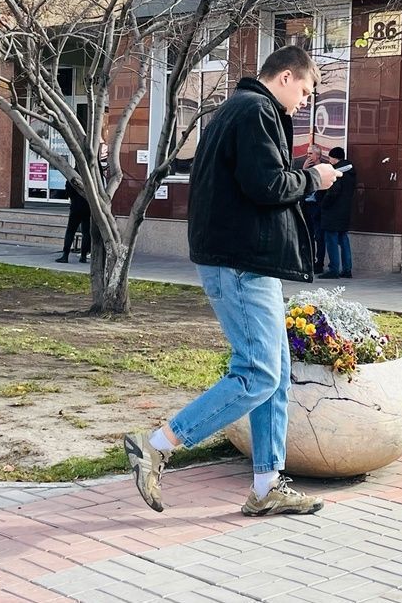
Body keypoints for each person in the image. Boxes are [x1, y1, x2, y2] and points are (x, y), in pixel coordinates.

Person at [123, 45, 339, 517]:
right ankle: (158, 444)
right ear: (284, 77)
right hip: (244, 263)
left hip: (241, 259)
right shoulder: (256, 111)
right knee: (259, 372)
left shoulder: (238, 110)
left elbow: (253, 183)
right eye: (304, 90)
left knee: (275, 375)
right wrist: (314, 179)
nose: (305, 101)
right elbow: (267, 187)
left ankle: (266, 486)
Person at [319, 146, 356, 279]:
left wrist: (323, 204)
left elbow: (333, 192)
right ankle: (347, 269)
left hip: (333, 212)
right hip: (345, 211)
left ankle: (334, 269)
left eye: (330, 158)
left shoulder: (337, 172)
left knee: (331, 240)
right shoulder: (351, 172)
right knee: (343, 239)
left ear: (334, 158)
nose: (329, 161)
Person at [296, 144, 326, 275]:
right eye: (307, 154)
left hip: (317, 207)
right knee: (308, 236)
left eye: (310, 154)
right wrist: (304, 170)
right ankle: (310, 262)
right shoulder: (306, 169)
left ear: (317, 155)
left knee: (319, 236)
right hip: (306, 206)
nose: (307, 156)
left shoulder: (322, 168)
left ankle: (319, 263)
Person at [57, 177, 91, 264]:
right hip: (87, 208)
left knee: (70, 231)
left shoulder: (72, 177)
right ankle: (83, 256)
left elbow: (67, 192)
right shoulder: (89, 177)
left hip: (75, 207)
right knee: (86, 232)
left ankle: (65, 255)